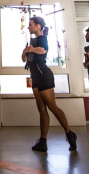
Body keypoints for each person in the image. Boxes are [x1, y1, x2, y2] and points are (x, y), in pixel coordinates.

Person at [21, 17, 77, 152]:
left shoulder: (42, 38)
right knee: (41, 110)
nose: (28, 27)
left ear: (38, 26)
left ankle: (70, 134)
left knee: (52, 107)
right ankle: (43, 141)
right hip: (35, 76)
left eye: (30, 25)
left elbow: (43, 51)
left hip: (43, 75)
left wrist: (31, 49)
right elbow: (24, 58)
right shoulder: (32, 42)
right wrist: (25, 51)